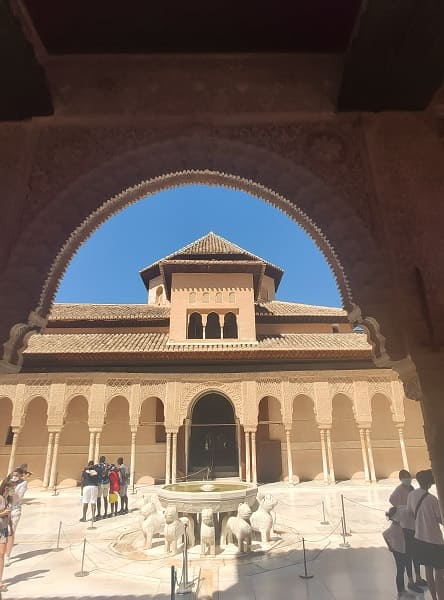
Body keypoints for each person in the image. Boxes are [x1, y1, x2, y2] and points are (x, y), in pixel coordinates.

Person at [407, 469, 444, 600]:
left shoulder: (411, 495)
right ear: (430, 483)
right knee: (439, 573)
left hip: (420, 539)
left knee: (428, 571)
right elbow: (441, 519)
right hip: (435, 540)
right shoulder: (433, 500)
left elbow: (410, 513)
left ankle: (434, 598)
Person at [390, 469, 426, 592]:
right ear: (401, 479)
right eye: (405, 477)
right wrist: (403, 508)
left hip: (414, 525)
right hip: (405, 527)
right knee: (408, 555)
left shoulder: (411, 488)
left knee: (415, 553)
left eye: (409, 476)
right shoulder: (399, 489)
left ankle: (418, 577)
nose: (408, 479)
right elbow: (392, 500)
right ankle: (411, 581)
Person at [383, 506, 415, 598]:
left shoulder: (398, 525)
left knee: (401, 570)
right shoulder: (393, 527)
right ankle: (400, 591)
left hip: (401, 550)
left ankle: (402, 589)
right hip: (398, 551)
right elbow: (384, 534)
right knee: (400, 570)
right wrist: (390, 546)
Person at [5, 467, 27, 566]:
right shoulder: (8, 481)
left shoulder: (23, 484)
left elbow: (18, 498)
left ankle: (7, 556)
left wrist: (12, 489)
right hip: (5, 508)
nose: (14, 477)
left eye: (16, 475)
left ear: (21, 475)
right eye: (13, 475)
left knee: (10, 532)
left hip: (15, 509)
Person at [0, 479, 14, 591]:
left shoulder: (9, 499)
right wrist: (2, 513)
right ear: (6, 487)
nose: (13, 490)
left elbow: (9, 514)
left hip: (3, 529)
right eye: (11, 488)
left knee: (1, 555)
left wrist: (10, 525)